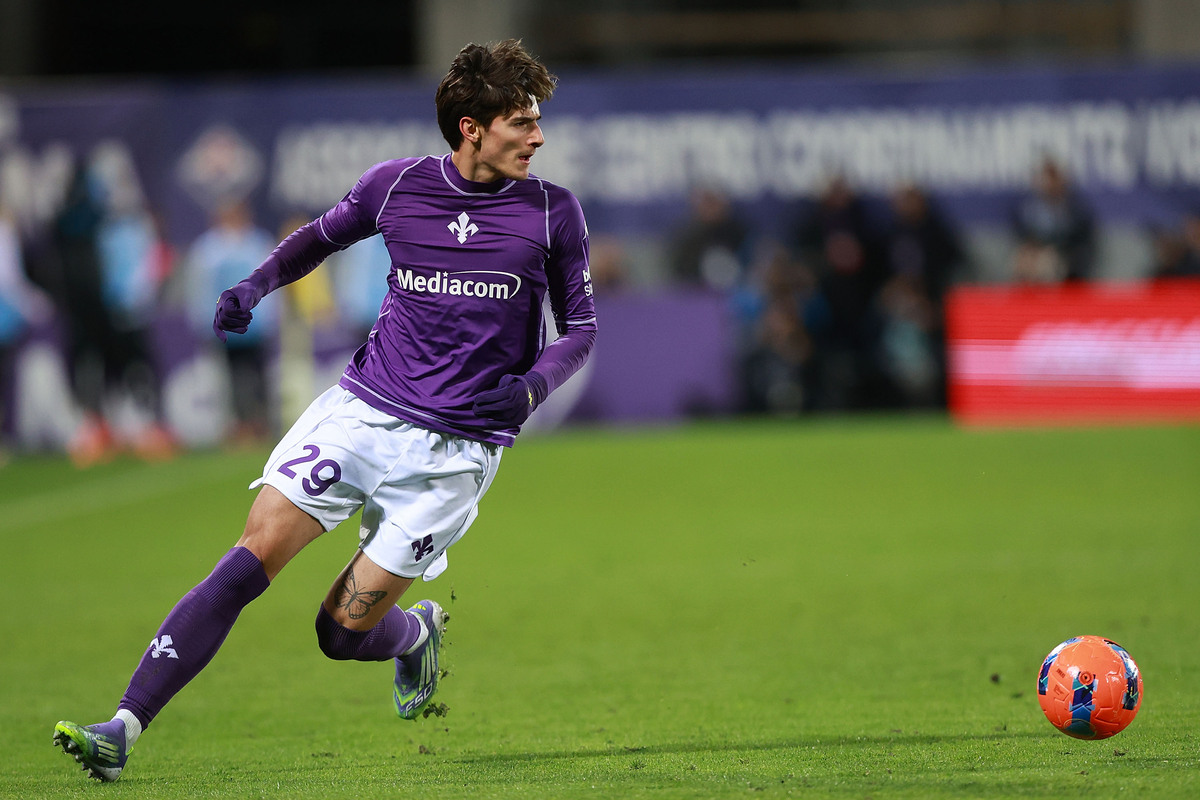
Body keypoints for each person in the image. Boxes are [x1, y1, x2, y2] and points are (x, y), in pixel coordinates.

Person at [53, 39, 596, 782]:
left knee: (338, 634)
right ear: (472, 126)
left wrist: (532, 387)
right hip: (363, 412)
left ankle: (412, 637)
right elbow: (314, 240)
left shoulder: (552, 211)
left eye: (537, 122)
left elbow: (582, 329)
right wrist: (253, 286)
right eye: (521, 122)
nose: (537, 136)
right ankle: (121, 727)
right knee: (251, 554)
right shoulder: (395, 186)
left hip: (456, 455)